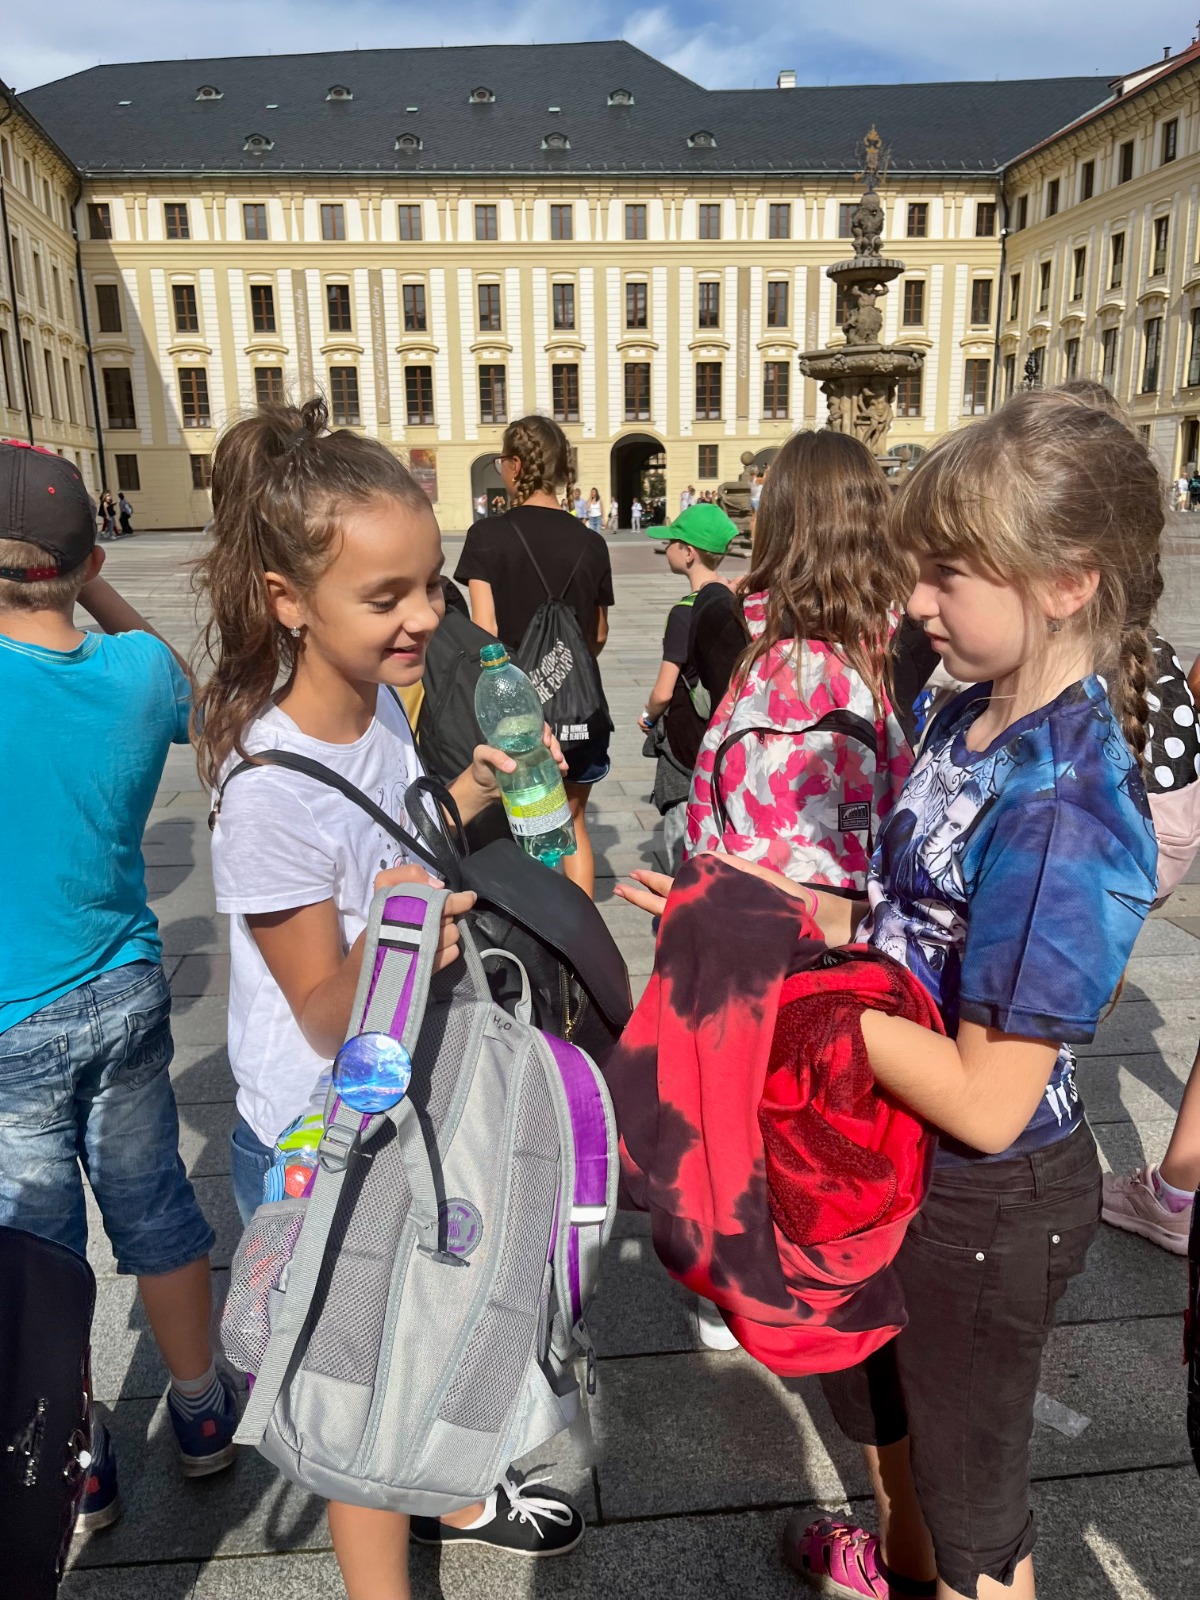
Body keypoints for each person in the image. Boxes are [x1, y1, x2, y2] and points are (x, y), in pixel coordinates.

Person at [621, 388, 1163, 1600]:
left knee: (982, 1525)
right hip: (904, 1153)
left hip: (989, 1193)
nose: (912, 600)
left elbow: (986, 1097)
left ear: (1065, 582)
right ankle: (898, 1562)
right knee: (893, 1415)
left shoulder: (1064, 802)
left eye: (947, 573)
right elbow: (899, 918)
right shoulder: (969, 709)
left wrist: (792, 992)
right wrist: (750, 906)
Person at [194, 398, 583, 1600]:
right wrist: (411, 940)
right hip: (319, 1123)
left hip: (398, 1084)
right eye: (387, 597)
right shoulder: (267, 789)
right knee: (351, 1371)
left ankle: (449, 1487)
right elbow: (323, 1004)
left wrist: (469, 790)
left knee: (418, 1310)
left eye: (429, 584)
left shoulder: (373, 707)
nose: (425, 615)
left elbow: (397, 840)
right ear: (289, 601)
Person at [0, 442, 232, 1536]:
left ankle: (78, 1457)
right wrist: (92, 586)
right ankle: (200, 1409)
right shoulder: (135, 677)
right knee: (156, 1206)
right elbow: (195, 697)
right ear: (90, 559)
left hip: (10, 1019)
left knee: (39, 1250)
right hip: (125, 987)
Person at [685, 429, 913, 889]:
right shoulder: (906, 631)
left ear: (774, 517)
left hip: (747, 889)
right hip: (862, 900)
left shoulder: (725, 619)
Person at [455, 414, 614, 899]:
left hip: (517, 718)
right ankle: (583, 932)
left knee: (519, 829)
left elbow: (486, 631)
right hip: (580, 711)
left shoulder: (487, 537)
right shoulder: (592, 542)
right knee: (574, 823)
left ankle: (532, 926)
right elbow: (598, 635)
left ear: (516, 465)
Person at [637, 502, 745, 875]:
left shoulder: (685, 611)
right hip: (724, 737)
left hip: (687, 745)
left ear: (688, 553)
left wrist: (648, 716)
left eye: (671, 541)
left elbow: (663, 691)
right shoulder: (734, 600)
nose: (665, 547)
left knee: (683, 842)